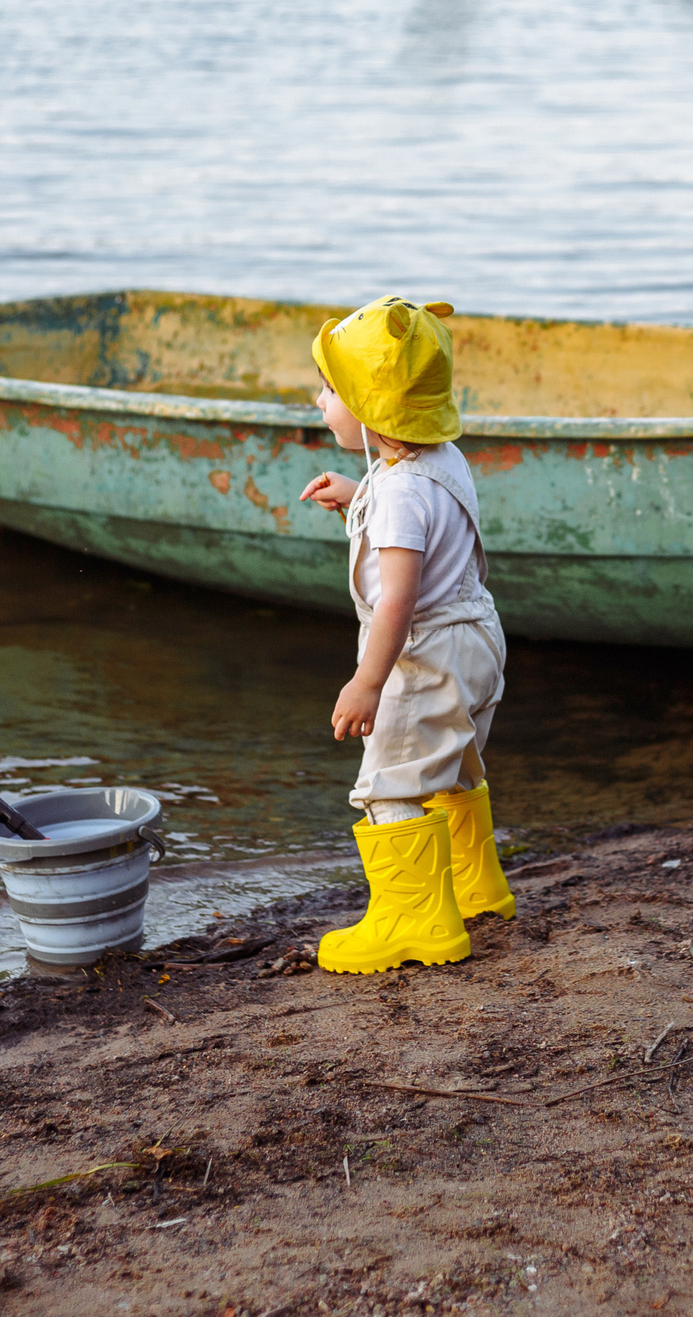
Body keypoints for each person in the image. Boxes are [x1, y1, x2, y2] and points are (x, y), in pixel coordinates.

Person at [297, 295, 513, 973]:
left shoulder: (395, 496)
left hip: (423, 654)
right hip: (476, 637)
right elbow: (420, 517)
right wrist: (356, 492)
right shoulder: (437, 461)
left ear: (373, 410)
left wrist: (368, 681)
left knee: (392, 782)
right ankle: (477, 887)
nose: (319, 398)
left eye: (330, 390)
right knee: (452, 763)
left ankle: (416, 921)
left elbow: (397, 600)